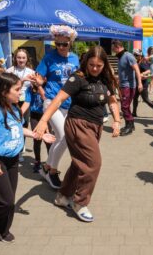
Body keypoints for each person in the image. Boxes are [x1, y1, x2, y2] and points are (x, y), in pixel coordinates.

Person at [34, 46, 121, 222]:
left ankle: (62, 196)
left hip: (96, 127)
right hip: (77, 125)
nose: (95, 68)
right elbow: (58, 99)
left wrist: (117, 121)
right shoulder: (77, 78)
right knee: (93, 164)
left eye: (99, 65)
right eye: (91, 64)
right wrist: (43, 121)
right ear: (86, 62)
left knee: (80, 162)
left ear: (104, 65)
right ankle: (79, 202)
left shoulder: (106, 80)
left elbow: (112, 101)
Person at [0, 72, 54, 242]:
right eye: (17, 89)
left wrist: (38, 135)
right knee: (7, 201)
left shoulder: (15, 109)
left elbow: (19, 130)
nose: (20, 93)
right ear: (4, 91)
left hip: (13, 161)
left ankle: (3, 230)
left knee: (10, 199)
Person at [35, 25, 80, 189]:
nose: (61, 47)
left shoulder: (75, 58)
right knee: (65, 137)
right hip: (52, 101)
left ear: (70, 43)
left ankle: (46, 166)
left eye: (64, 44)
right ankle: (52, 172)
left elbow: (79, 78)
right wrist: (40, 84)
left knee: (61, 138)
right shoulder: (48, 58)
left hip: (69, 103)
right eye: (58, 44)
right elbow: (39, 78)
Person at [6, 48, 35, 161]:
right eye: (19, 57)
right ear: (15, 58)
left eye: (23, 57)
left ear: (27, 59)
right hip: (12, 101)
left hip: (25, 102)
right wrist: (22, 80)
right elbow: (7, 86)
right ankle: (10, 147)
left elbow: (35, 88)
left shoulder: (31, 71)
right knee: (10, 125)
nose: (21, 60)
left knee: (23, 125)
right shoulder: (10, 70)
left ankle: (20, 150)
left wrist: (35, 84)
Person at [111, 40, 143, 136]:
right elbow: (123, 71)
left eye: (113, 47)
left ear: (117, 46)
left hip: (128, 86)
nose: (112, 49)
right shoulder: (120, 57)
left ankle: (129, 125)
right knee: (126, 106)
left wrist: (140, 83)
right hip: (123, 85)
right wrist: (118, 79)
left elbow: (137, 70)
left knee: (124, 107)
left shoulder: (128, 56)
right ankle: (130, 124)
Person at [21, 82, 52, 173]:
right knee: (37, 138)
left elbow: (46, 99)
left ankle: (50, 162)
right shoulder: (30, 89)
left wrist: (40, 87)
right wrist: (18, 115)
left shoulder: (49, 86)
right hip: (35, 116)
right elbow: (27, 102)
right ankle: (37, 161)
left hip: (46, 115)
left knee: (48, 140)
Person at [131, 49, 153, 119]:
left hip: (143, 84)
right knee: (135, 98)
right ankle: (134, 112)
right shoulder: (137, 61)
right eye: (134, 55)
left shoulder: (143, 62)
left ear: (140, 55)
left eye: (136, 55)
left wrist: (142, 74)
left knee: (145, 99)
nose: (135, 56)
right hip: (137, 83)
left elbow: (148, 70)